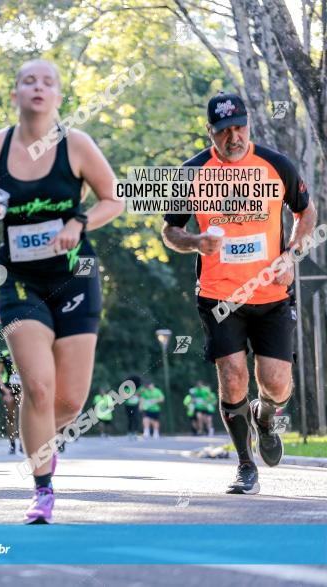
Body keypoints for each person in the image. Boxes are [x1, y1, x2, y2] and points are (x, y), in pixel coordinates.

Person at [0, 59, 124, 523]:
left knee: (69, 401)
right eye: (28, 81)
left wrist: (79, 221)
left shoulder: (76, 145)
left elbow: (113, 199)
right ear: (15, 95)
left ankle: (41, 442)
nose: (38, 88)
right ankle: (42, 489)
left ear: (59, 96)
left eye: (48, 82)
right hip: (20, 281)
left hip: (75, 276)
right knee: (39, 388)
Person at [162, 92, 316, 494]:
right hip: (219, 297)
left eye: (240, 127)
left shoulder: (275, 165)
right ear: (209, 132)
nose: (234, 137)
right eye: (224, 130)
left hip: (272, 295)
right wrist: (195, 241)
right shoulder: (191, 173)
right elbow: (171, 231)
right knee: (232, 378)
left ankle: (264, 419)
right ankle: (246, 465)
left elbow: (306, 211)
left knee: (277, 384)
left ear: (249, 124)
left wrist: (292, 255)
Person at [0, 347, 21, 453]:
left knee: (23, 417)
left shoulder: (26, 350)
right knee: (11, 417)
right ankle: (12, 444)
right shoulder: (4, 354)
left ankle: (23, 444)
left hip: (22, 387)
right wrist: (4, 389)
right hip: (8, 388)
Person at [124, 374, 142, 439]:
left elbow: (141, 396)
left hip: (135, 405)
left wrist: (140, 405)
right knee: (130, 419)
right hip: (128, 406)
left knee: (136, 418)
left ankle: (135, 432)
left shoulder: (139, 388)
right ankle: (129, 432)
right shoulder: (126, 388)